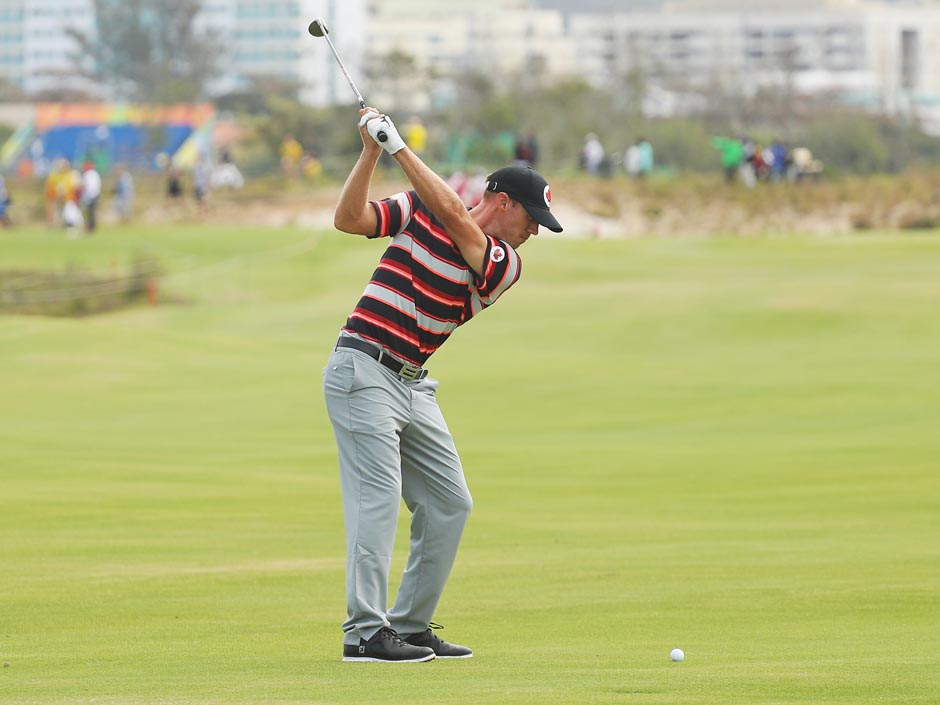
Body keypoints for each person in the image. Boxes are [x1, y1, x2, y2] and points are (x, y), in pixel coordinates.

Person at [324, 106, 563, 664]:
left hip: (411, 383)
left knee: (451, 502)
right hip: (362, 368)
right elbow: (349, 220)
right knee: (378, 500)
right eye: (531, 219)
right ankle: (364, 633)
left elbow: (455, 214)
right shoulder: (416, 209)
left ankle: (406, 627)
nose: (534, 232)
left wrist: (399, 148)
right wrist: (370, 152)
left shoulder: (503, 264)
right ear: (503, 202)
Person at [80, 160, 101, 233]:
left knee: (89, 213)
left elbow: (85, 186)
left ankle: (90, 227)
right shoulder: (95, 174)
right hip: (95, 195)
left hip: (90, 196)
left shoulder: (88, 174)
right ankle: (91, 227)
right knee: (91, 213)